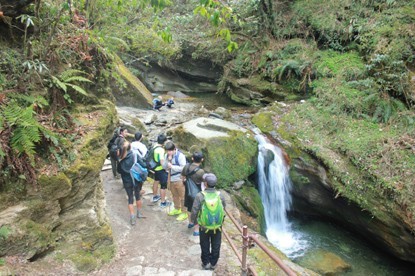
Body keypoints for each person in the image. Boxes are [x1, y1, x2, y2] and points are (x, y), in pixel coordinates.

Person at [191, 173, 226, 270]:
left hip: (204, 226)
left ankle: (206, 263)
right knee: (216, 244)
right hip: (217, 226)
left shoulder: (200, 196)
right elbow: (224, 208)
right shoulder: (220, 195)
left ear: (205, 184)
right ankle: (213, 263)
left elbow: (194, 210)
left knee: (204, 244)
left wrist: (193, 222)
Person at [117, 141, 146, 226]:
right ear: (130, 148)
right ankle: (139, 213)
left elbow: (119, 171)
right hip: (136, 180)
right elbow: (143, 164)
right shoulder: (135, 155)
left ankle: (132, 217)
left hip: (127, 182)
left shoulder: (121, 160)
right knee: (137, 196)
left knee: (130, 198)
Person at [162, 141, 187, 220]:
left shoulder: (180, 156)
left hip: (179, 179)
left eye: (170, 151)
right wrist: (167, 161)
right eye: (167, 151)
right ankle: (177, 208)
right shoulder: (167, 155)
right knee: (174, 195)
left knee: (182, 196)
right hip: (171, 179)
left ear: (174, 149)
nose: (168, 152)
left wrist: (172, 166)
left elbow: (183, 168)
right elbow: (164, 167)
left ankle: (184, 212)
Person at [182, 151, 205, 236]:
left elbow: (183, 177)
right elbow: (204, 183)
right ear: (202, 159)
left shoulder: (187, 167)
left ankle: (190, 222)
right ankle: (196, 230)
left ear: (192, 158)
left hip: (188, 190)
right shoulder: (201, 171)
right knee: (197, 209)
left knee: (189, 206)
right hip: (197, 192)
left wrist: (185, 183)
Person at [151, 133, 169, 207]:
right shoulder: (161, 150)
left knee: (156, 181)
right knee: (163, 186)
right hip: (161, 169)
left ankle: (155, 196)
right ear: (164, 142)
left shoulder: (154, 146)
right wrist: (166, 169)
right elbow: (162, 161)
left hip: (155, 168)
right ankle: (163, 202)